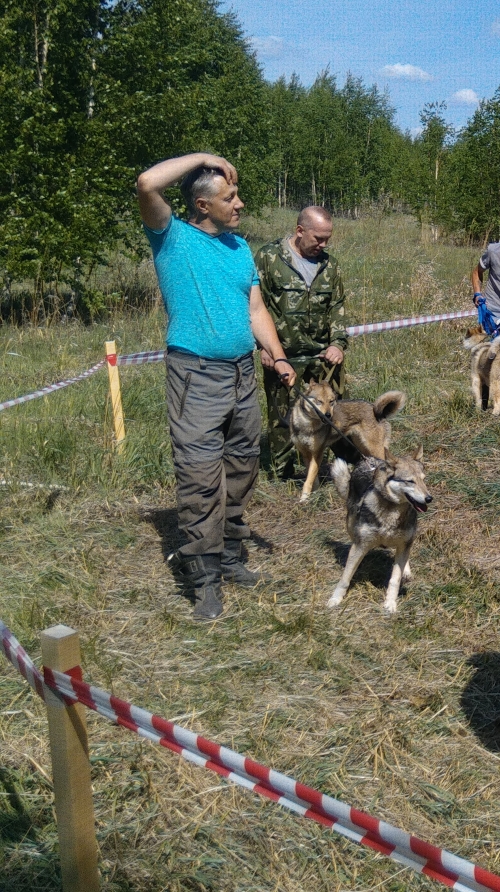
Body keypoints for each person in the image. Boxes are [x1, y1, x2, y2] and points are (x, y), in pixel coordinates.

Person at [137, 153, 296, 621]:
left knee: (243, 465)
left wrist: (278, 355)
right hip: (196, 378)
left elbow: (255, 312)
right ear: (202, 205)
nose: (240, 204)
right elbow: (147, 182)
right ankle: (203, 579)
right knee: (201, 478)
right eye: (230, 197)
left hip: (242, 375)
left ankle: (229, 555)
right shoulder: (172, 238)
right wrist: (205, 158)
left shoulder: (239, 248)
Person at [254, 206, 349, 478]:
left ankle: (322, 470)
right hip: (283, 355)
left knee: (328, 414)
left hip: (323, 357)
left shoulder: (329, 265)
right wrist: (264, 347)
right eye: (318, 238)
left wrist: (338, 344)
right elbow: (253, 305)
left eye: (327, 238)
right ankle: (282, 474)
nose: (323, 244)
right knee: (283, 419)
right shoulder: (269, 258)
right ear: (299, 231)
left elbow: (338, 306)